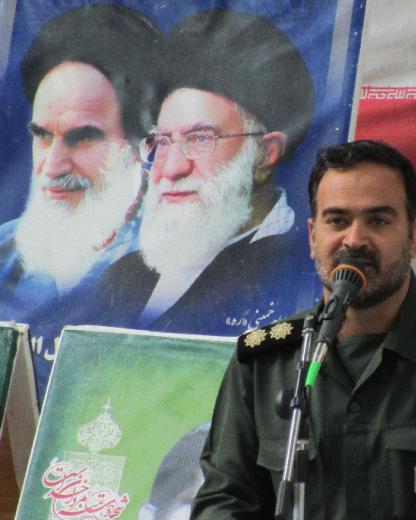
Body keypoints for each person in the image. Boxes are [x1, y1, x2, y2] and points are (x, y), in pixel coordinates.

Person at [191, 140, 416, 519]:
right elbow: (224, 497)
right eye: (337, 221)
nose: (354, 240)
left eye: (378, 221)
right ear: (313, 237)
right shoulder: (264, 361)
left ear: (413, 236)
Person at [97, 9, 316, 335]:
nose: (172, 168)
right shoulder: (123, 277)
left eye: (200, 139)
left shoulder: (299, 276)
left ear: (264, 154)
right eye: (163, 141)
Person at [0, 4, 161, 403]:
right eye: (43, 136)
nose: (53, 166)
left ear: (145, 147)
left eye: (81, 138)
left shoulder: (175, 271)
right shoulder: (4, 252)